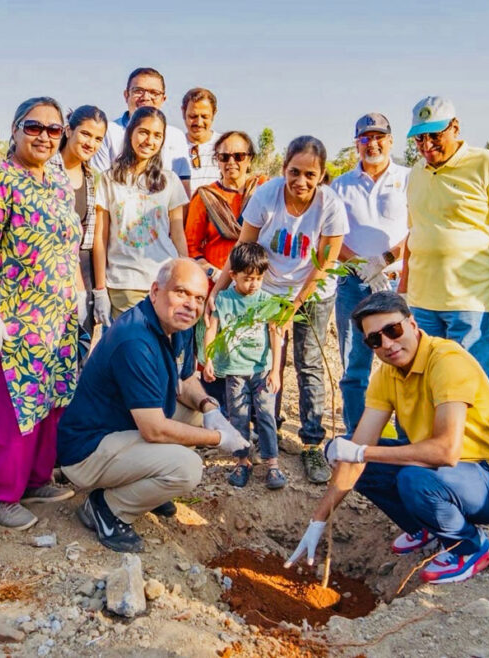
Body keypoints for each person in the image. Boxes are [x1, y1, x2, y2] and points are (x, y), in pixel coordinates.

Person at [285, 292, 489, 585]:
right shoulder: (387, 375)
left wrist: (361, 453)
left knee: (412, 478)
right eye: (375, 340)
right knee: (361, 458)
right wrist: (318, 520)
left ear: (412, 323)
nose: (387, 343)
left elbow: (447, 452)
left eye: (393, 330)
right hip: (449, 474)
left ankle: (470, 547)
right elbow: (357, 448)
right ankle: (425, 525)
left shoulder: (446, 361)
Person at [57, 259, 250, 552]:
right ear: (155, 291)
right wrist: (220, 438)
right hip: (88, 450)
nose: (191, 305)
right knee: (187, 469)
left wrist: (210, 407)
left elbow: (185, 382)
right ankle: (107, 509)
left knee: (196, 415)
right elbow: (155, 430)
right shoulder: (135, 340)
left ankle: (144, 483)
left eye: (199, 298)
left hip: (122, 431)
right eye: (181, 292)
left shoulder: (177, 324)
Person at [0, 97, 81, 530]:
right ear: (14, 130)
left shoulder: (55, 180)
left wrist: (81, 295)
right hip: (15, 320)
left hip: (58, 319)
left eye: (55, 130)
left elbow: (68, 246)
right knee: (14, 410)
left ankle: (36, 480)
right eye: (35, 127)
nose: (45, 137)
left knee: (50, 404)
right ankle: (3, 495)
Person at [209, 136, 348, 485]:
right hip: (268, 290)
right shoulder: (267, 196)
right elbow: (243, 248)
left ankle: (312, 442)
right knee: (266, 360)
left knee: (309, 362)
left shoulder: (330, 205)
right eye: (294, 172)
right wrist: (216, 291)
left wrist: (294, 307)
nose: (301, 182)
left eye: (310, 175)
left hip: (312, 293)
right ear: (284, 168)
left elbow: (325, 264)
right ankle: (268, 429)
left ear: (321, 175)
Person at [400, 96, 489, 380]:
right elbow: (414, 234)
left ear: (455, 127)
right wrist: (404, 291)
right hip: (421, 304)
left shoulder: (486, 164)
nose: (426, 145)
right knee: (424, 388)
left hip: (471, 304)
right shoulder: (416, 174)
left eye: (434, 135)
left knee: (467, 389)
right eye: (419, 139)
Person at [330, 113, 410, 436]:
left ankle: (407, 435)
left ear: (390, 141)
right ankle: (358, 435)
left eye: (379, 137)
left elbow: (420, 231)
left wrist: (385, 259)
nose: (372, 144)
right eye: (365, 138)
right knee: (354, 366)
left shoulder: (408, 178)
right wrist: (360, 264)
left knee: (406, 361)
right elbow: (331, 236)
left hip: (396, 282)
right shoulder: (341, 185)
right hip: (354, 284)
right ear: (357, 145)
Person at [92, 107, 189, 320]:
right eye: (143, 132)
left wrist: (187, 276)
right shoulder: (110, 180)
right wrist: (100, 290)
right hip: (123, 283)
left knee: (164, 351)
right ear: (130, 133)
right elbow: (100, 237)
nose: (149, 140)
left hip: (165, 282)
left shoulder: (170, 181)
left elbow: (178, 234)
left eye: (157, 135)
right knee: (131, 350)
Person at [202, 243, 285, 490]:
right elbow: (212, 330)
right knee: (237, 415)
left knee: (266, 415)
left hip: (261, 369)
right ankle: (242, 461)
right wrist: (208, 359)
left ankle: (272, 463)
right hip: (234, 370)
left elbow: (275, 335)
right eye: (248, 278)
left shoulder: (267, 301)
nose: (254, 284)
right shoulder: (224, 300)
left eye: (258, 278)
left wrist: (275, 370)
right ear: (233, 275)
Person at [57, 105, 109, 357]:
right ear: (68, 130)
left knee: (79, 350)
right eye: (86, 134)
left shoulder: (92, 177)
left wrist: (99, 290)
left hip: (84, 267)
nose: (91, 143)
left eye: (98, 138)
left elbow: (95, 237)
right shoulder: (46, 169)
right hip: (53, 268)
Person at [184, 130, 264, 279]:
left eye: (239, 156)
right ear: (217, 160)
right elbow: (190, 247)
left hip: (255, 284)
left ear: (250, 159)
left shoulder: (262, 192)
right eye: (224, 157)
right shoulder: (206, 197)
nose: (231, 162)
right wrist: (213, 273)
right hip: (215, 282)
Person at [89, 67, 189, 182]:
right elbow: (101, 183)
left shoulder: (176, 136)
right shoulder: (108, 131)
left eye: (154, 93)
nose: (146, 97)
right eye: (138, 91)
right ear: (126, 95)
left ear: (163, 99)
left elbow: (183, 187)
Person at [180, 87, 221, 194]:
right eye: (193, 116)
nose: (199, 122)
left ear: (214, 113)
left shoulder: (225, 147)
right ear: (183, 112)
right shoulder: (174, 146)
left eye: (204, 116)